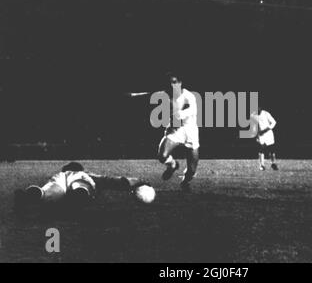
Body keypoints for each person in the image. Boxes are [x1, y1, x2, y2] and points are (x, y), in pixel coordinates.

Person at [14, 162, 150, 208]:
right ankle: (79, 194)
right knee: (81, 186)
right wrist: (140, 181)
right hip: (80, 179)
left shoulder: (62, 173)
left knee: (49, 192)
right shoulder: (87, 174)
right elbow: (119, 181)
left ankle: (35, 194)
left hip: (60, 179)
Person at [157, 72, 199, 191]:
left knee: (191, 170)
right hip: (176, 130)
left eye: (174, 82)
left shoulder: (189, 96)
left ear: (180, 83)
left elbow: (192, 110)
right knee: (162, 156)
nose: (172, 85)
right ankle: (172, 165)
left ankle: (185, 182)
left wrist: (178, 114)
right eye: (169, 83)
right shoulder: (165, 95)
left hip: (190, 132)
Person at [251, 104, 278, 171]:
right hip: (261, 135)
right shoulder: (253, 116)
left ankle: (273, 163)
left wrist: (266, 129)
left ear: (260, 107)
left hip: (268, 134)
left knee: (271, 150)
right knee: (261, 149)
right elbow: (253, 126)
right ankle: (262, 165)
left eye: (258, 107)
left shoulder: (266, 113)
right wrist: (256, 135)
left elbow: (274, 122)